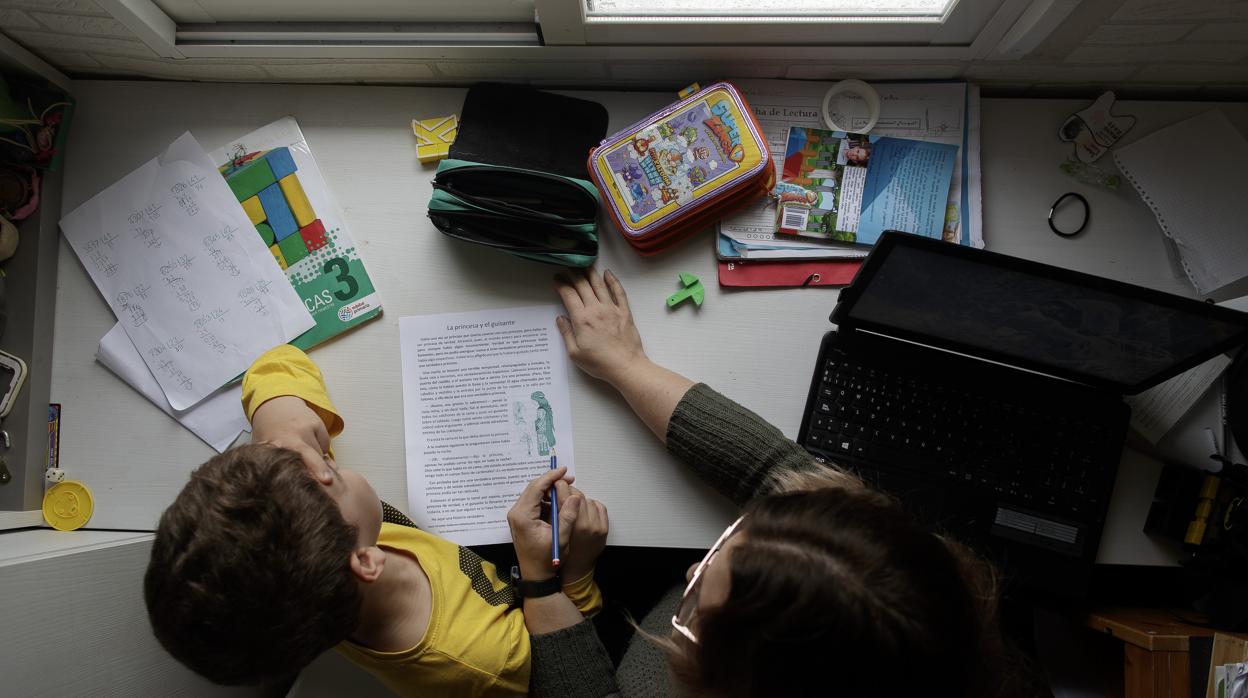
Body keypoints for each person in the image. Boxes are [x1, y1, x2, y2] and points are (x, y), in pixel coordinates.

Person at [510, 268, 1032, 698]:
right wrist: (625, 364)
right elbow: (772, 471)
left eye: (696, 610)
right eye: (725, 544)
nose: (691, 569)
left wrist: (540, 584)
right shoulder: (911, 608)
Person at [144, 345, 607, 696]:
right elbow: (570, 664)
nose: (327, 461)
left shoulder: (314, 554)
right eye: (332, 474)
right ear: (366, 561)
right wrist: (569, 574)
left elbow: (276, 359)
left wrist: (278, 418)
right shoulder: (483, 662)